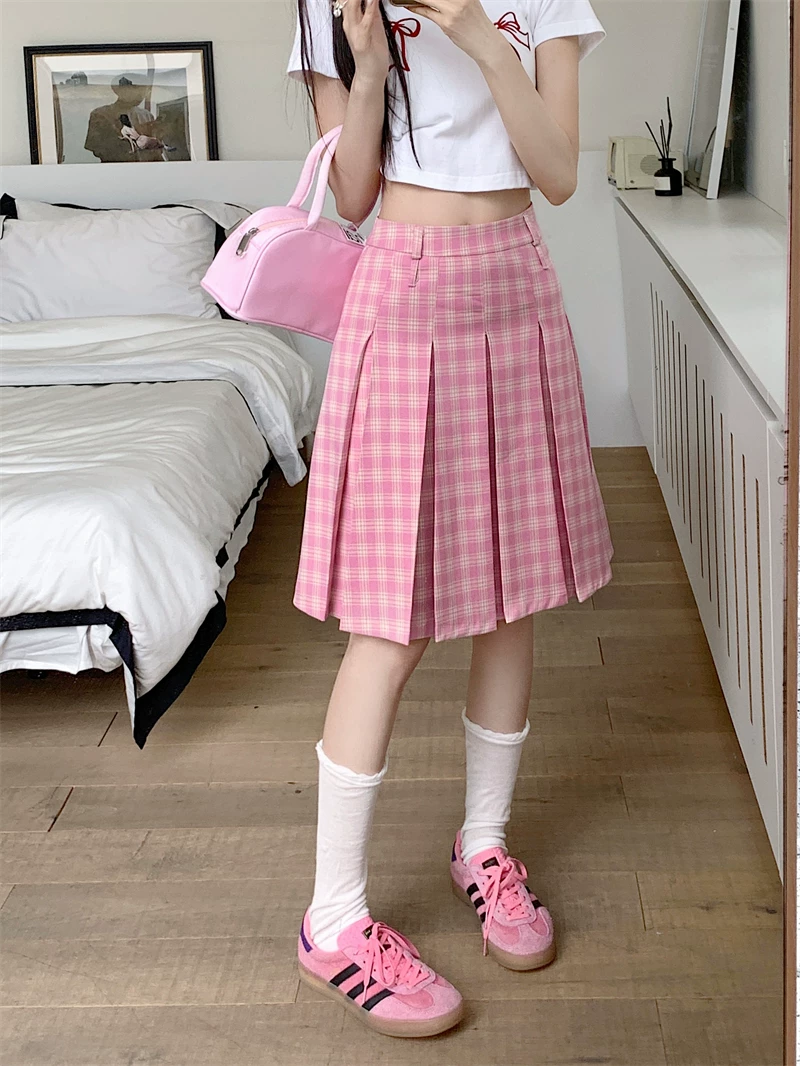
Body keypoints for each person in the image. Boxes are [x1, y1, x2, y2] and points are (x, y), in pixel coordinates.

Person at [287, 0, 613, 1039]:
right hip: (405, 287)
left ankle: (483, 845)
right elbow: (351, 195)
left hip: (516, 283)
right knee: (388, 621)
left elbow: (556, 173)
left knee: (512, 597)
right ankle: (333, 918)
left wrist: (476, 32)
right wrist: (369, 67)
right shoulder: (333, 6)